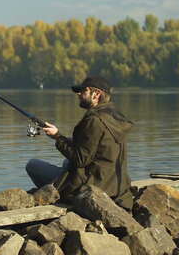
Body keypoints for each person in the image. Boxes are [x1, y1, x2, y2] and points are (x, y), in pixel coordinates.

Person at [26, 76, 134, 210]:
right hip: (115, 184)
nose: (79, 94)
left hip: (94, 188)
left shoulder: (94, 120)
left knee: (33, 165)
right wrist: (60, 136)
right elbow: (96, 147)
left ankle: (56, 196)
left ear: (96, 94)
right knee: (66, 163)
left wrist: (58, 138)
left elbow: (80, 160)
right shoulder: (114, 116)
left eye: (84, 91)